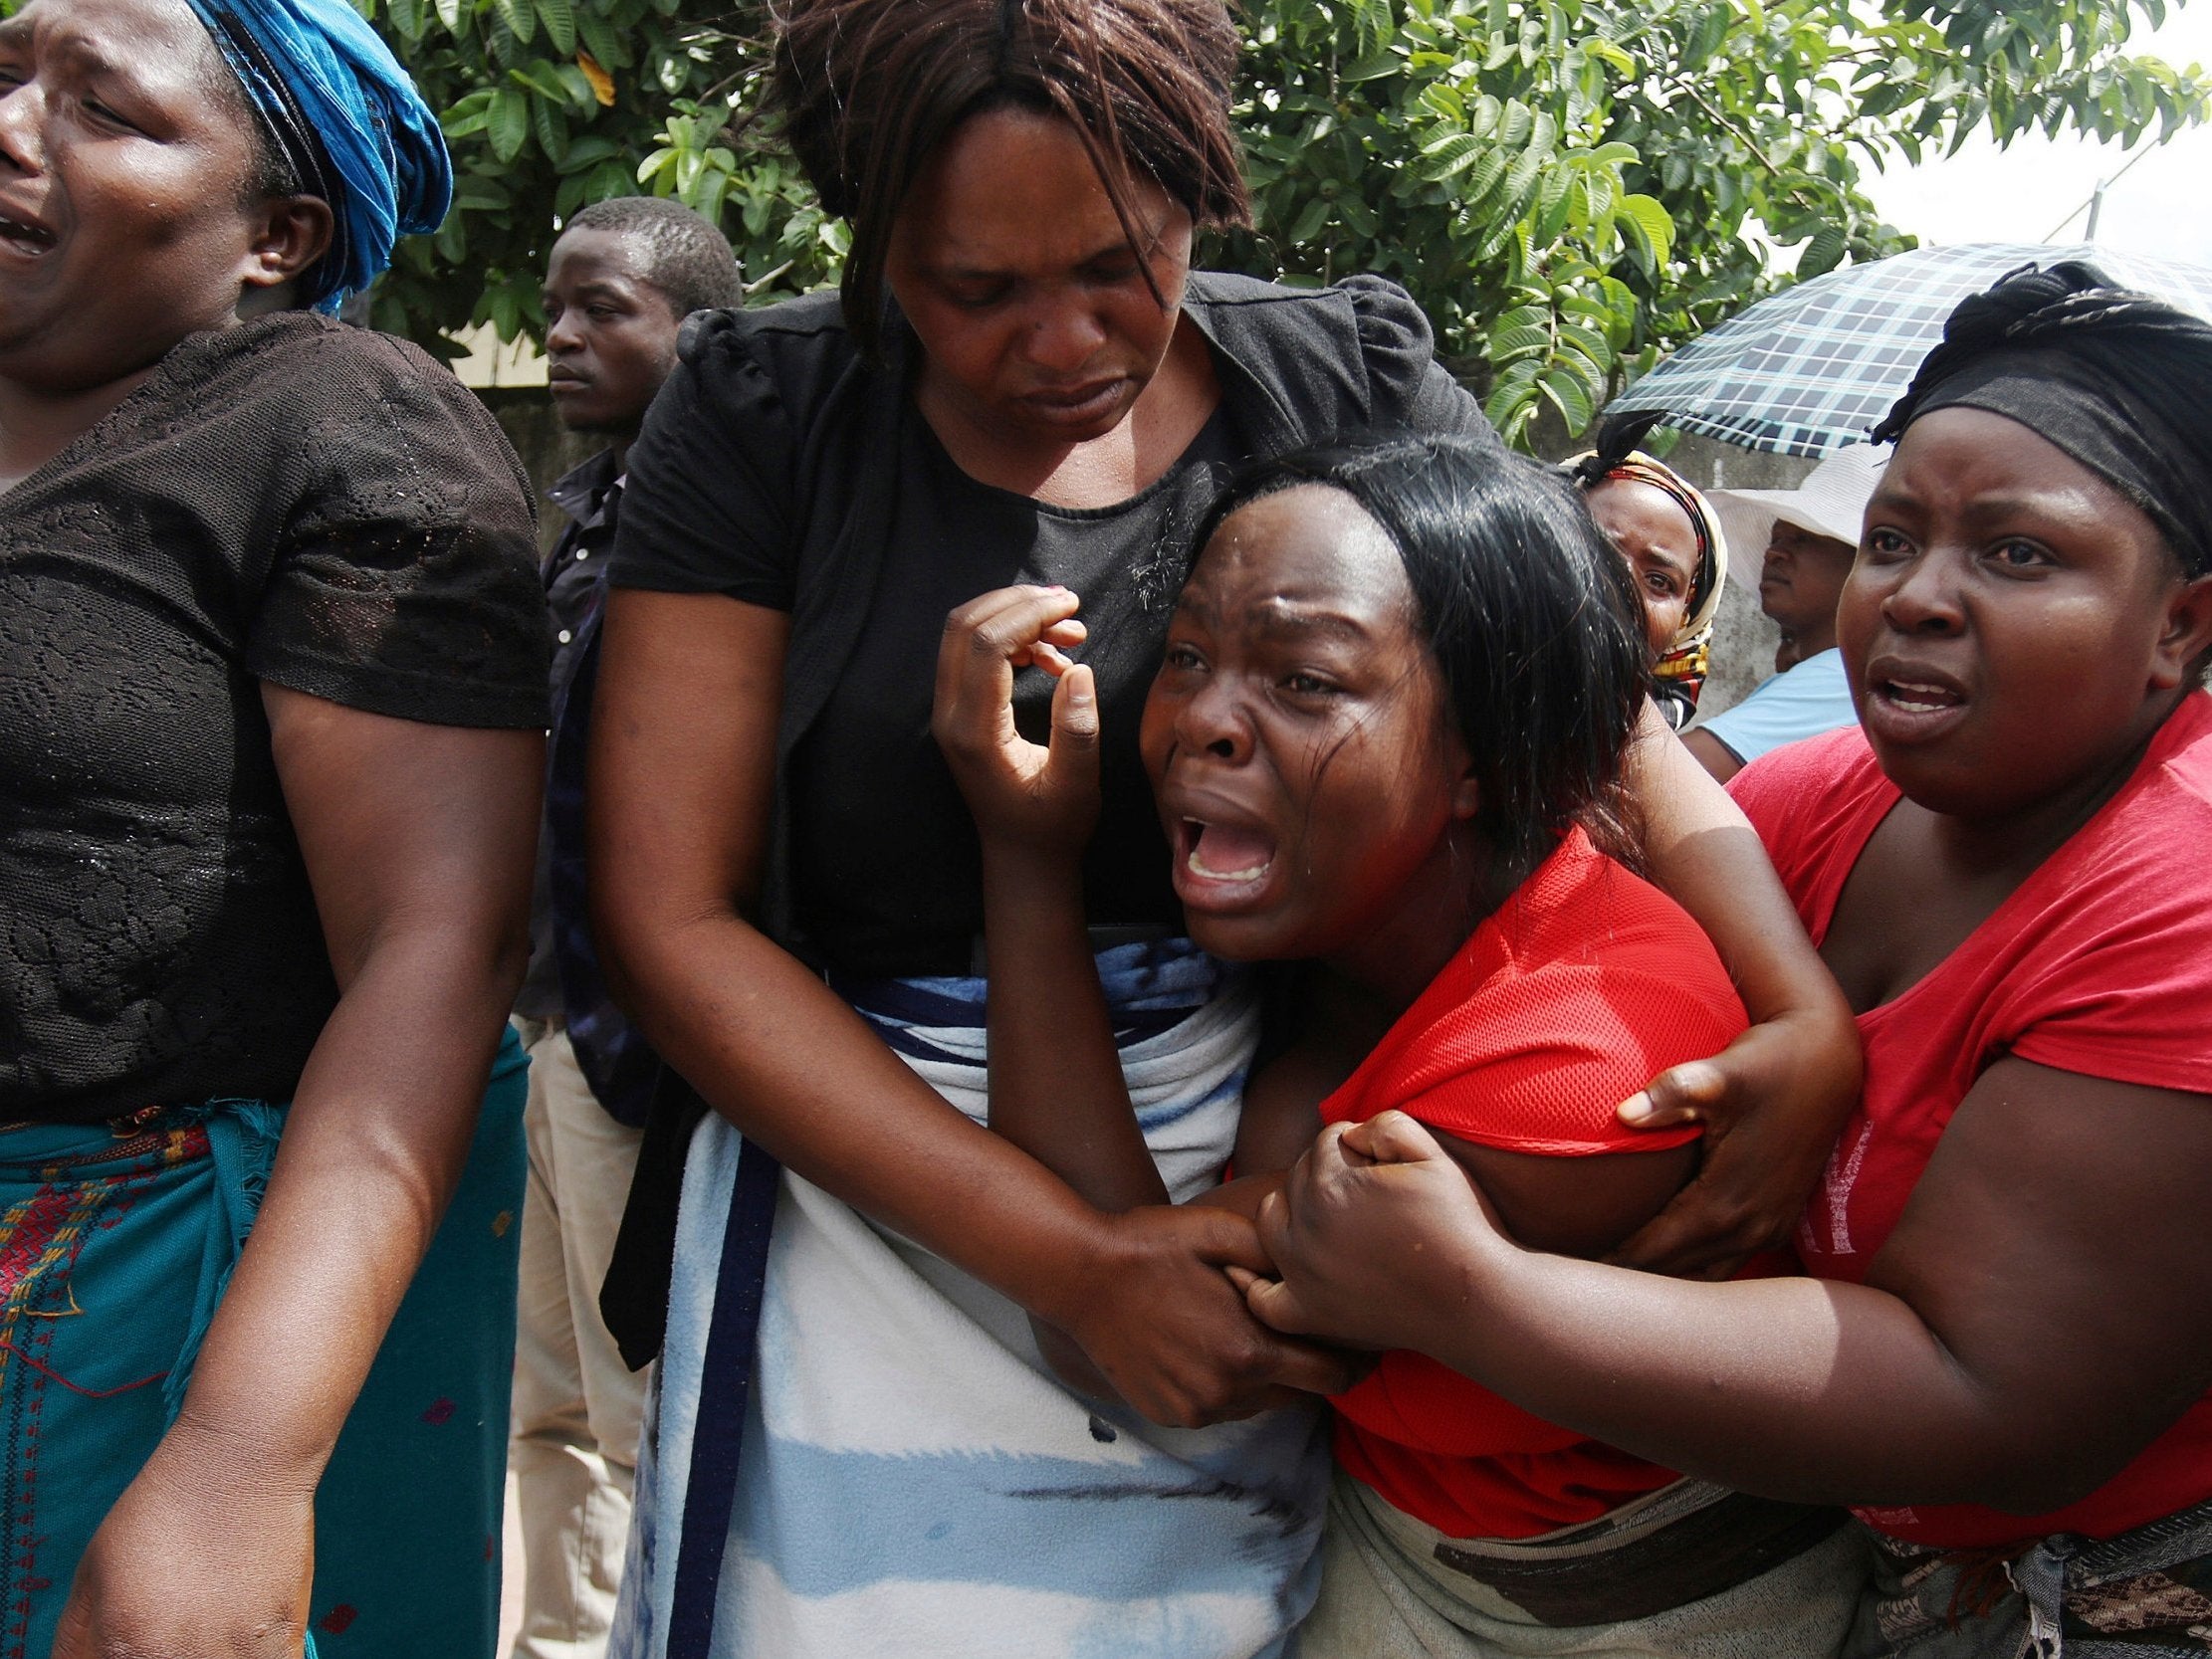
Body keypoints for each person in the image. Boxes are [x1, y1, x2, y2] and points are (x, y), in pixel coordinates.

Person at [583, 0, 1859, 1651]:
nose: (1066, 343)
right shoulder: (765, 421)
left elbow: (1584, 708)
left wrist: (1799, 1008)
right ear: (868, 234)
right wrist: (1077, 1259)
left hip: (1277, 1191)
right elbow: (673, 919)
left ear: (1199, 183)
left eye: (1125, 259)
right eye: (978, 290)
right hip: (873, 1196)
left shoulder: (1339, 373)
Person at [1233, 264, 2212, 1657]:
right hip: (1835, 1543)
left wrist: (1477, 1296)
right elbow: (1573, 788)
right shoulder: (1819, 798)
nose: (1918, 595)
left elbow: (1986, 1397)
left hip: (2113, 1584)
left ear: (2179, 622)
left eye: (2014, 553)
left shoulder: (2180, 897)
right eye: (1891, 539)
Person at [932, 436, 1867, 1658]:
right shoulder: (1367, 935)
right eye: (1188, 655)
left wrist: (1025, 858)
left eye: (1305, 681)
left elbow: (1121, 1317)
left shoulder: (1582, 1069)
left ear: (1480, 754)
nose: (1205, 718)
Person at [0, 1, 550, 1655]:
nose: (14, 119)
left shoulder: (338, 424)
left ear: (278, 236)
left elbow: (435, 944)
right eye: (2, 71)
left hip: (133, 1315)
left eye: (100, 104)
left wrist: (240, 1465)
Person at [510, 196, 742, 1659]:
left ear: (695, 331)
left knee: (639, 1407)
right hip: (552, 1025)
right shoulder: (591, 507)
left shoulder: (709, 532)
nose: (560, 335)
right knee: (545, 1403)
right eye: (557, 305)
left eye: (605, 308)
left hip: (633, 1045)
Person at [1683, 443, 1882, 781]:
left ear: (1862, 565)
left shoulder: (1839, 676)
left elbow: (1668, 778)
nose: (1773, 554)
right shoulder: (1837, 672)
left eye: (1802, 540)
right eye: (1776, 539)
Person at [1569, 412, 1731, 731]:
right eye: (1597, 550)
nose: (1619, 584)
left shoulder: (1663, 776)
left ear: (1686, 623)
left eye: (1659, 581)